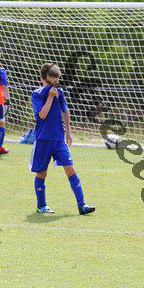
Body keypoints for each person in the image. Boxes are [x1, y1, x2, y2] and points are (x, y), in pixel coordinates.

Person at [30, 63, 95, 215]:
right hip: (43, 139)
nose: (54, 85)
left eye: (56, 81)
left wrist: (68, 133)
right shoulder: (37, 94)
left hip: (59, 139)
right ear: (43, 79)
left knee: (70, 169)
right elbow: (42, 115)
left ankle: (82, 205)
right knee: (42, 173)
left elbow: (66, 111)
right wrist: (50, 97)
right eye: (51, 82)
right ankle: (41, 205)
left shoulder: (59, 92)